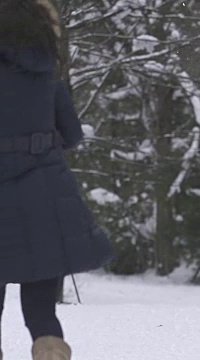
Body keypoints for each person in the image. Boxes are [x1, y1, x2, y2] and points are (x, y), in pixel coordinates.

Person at [0, 1, 114, 359]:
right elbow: (72, 133)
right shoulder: (45, 72)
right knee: (41, 296)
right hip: (42, 194)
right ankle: (48, 345)